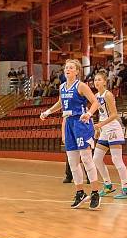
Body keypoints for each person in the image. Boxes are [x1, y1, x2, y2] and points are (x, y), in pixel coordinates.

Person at [40, 59, 101, 209]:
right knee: (73, 162)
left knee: (86, 159)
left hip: (81, 123)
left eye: (71, 68)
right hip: (68, 123)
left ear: (77, 71)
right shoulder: (62, 87)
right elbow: (61, 103)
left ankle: (95, 192)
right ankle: (80, 192)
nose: (67, 69)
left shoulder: (81, 86)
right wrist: (47, 112)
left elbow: (95, 102)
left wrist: (88, 113)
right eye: (66, 67)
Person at [92, 71, 127, 199]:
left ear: (104, 82)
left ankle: (125, 188)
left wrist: (100, 125)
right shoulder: (96, 95)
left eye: (99, 80)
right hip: (104, 129)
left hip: (113, 128)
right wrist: (99, 128)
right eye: (95, 80)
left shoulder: (108, 95)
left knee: (116, 159)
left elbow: (114, 114)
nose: (96, 82)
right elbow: (102, 114)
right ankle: (108, 185)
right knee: (96, 159)